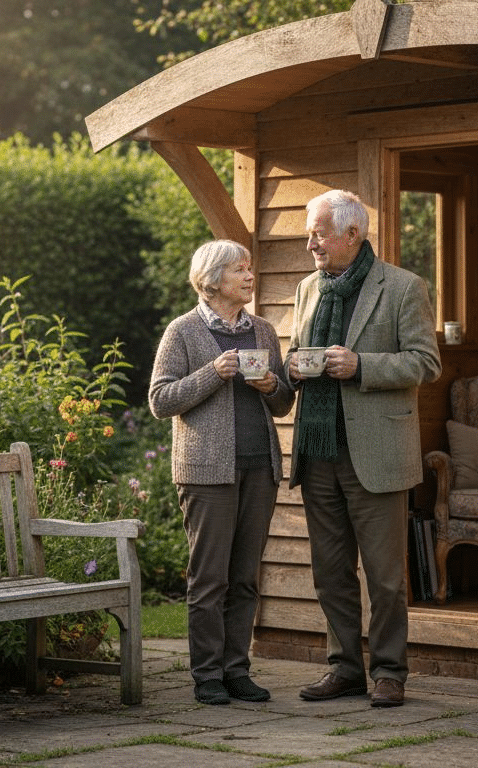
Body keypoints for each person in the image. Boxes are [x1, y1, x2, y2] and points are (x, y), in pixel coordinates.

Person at [287, 190, 441, 708]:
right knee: (330, 573)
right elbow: (296, 352)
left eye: (319, 234)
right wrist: (291, 367)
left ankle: (390, 673)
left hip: (376, 453)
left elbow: (425, 362)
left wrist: (362, 366)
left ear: (352, 234)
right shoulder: (307, 289)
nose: (310, 244)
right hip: (317, 451)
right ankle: (345, 669)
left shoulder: (402, 287)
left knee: (386, 578)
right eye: (309, 234)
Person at [149, 239, 296, 706]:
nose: (250, 276)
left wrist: (271, 385)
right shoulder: (183, 331)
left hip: (260, 468)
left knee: (246, 577)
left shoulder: (263, 331)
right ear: (212, 281)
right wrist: (214, 372)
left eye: (249, 268)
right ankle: (208, 675)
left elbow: (283, 402)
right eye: (239, 269)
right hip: (206, 472)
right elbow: (160, 400)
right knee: (209, 579)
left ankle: (237, 671)